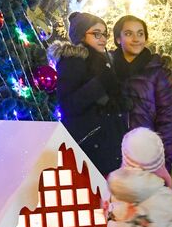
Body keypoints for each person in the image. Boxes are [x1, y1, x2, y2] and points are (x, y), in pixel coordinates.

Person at [47, 11, 128, 176]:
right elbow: (69, 104)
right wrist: (100, 83)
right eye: (96, 34)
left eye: (105, 34)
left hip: (111, 143)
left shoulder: (104, 62)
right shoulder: (72, 61)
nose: (103, 39)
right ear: (81, 35)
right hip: (90, 145)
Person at [112, 15, 172, 176]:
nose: (136, 39)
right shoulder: (107, 69)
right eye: (129, 33)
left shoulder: (158, 72)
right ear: (117, 39)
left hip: (149, 162)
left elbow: (169, 120)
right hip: (114, 161)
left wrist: (162, 162)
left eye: (140, 33)